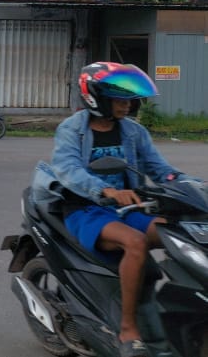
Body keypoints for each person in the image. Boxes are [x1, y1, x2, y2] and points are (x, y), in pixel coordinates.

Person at [50, 62, 183, 357]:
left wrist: (191, 185)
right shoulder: (72, 129)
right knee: (135, 243)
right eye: (119, 99)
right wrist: (105, 190)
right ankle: (128, 329)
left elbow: (160, 169)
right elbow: (68, 169)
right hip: (86, 210)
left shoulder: (133, 132)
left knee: (178, 232)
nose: (128, 105)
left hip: (128, 208)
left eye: (129, 99)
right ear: (96, 98)